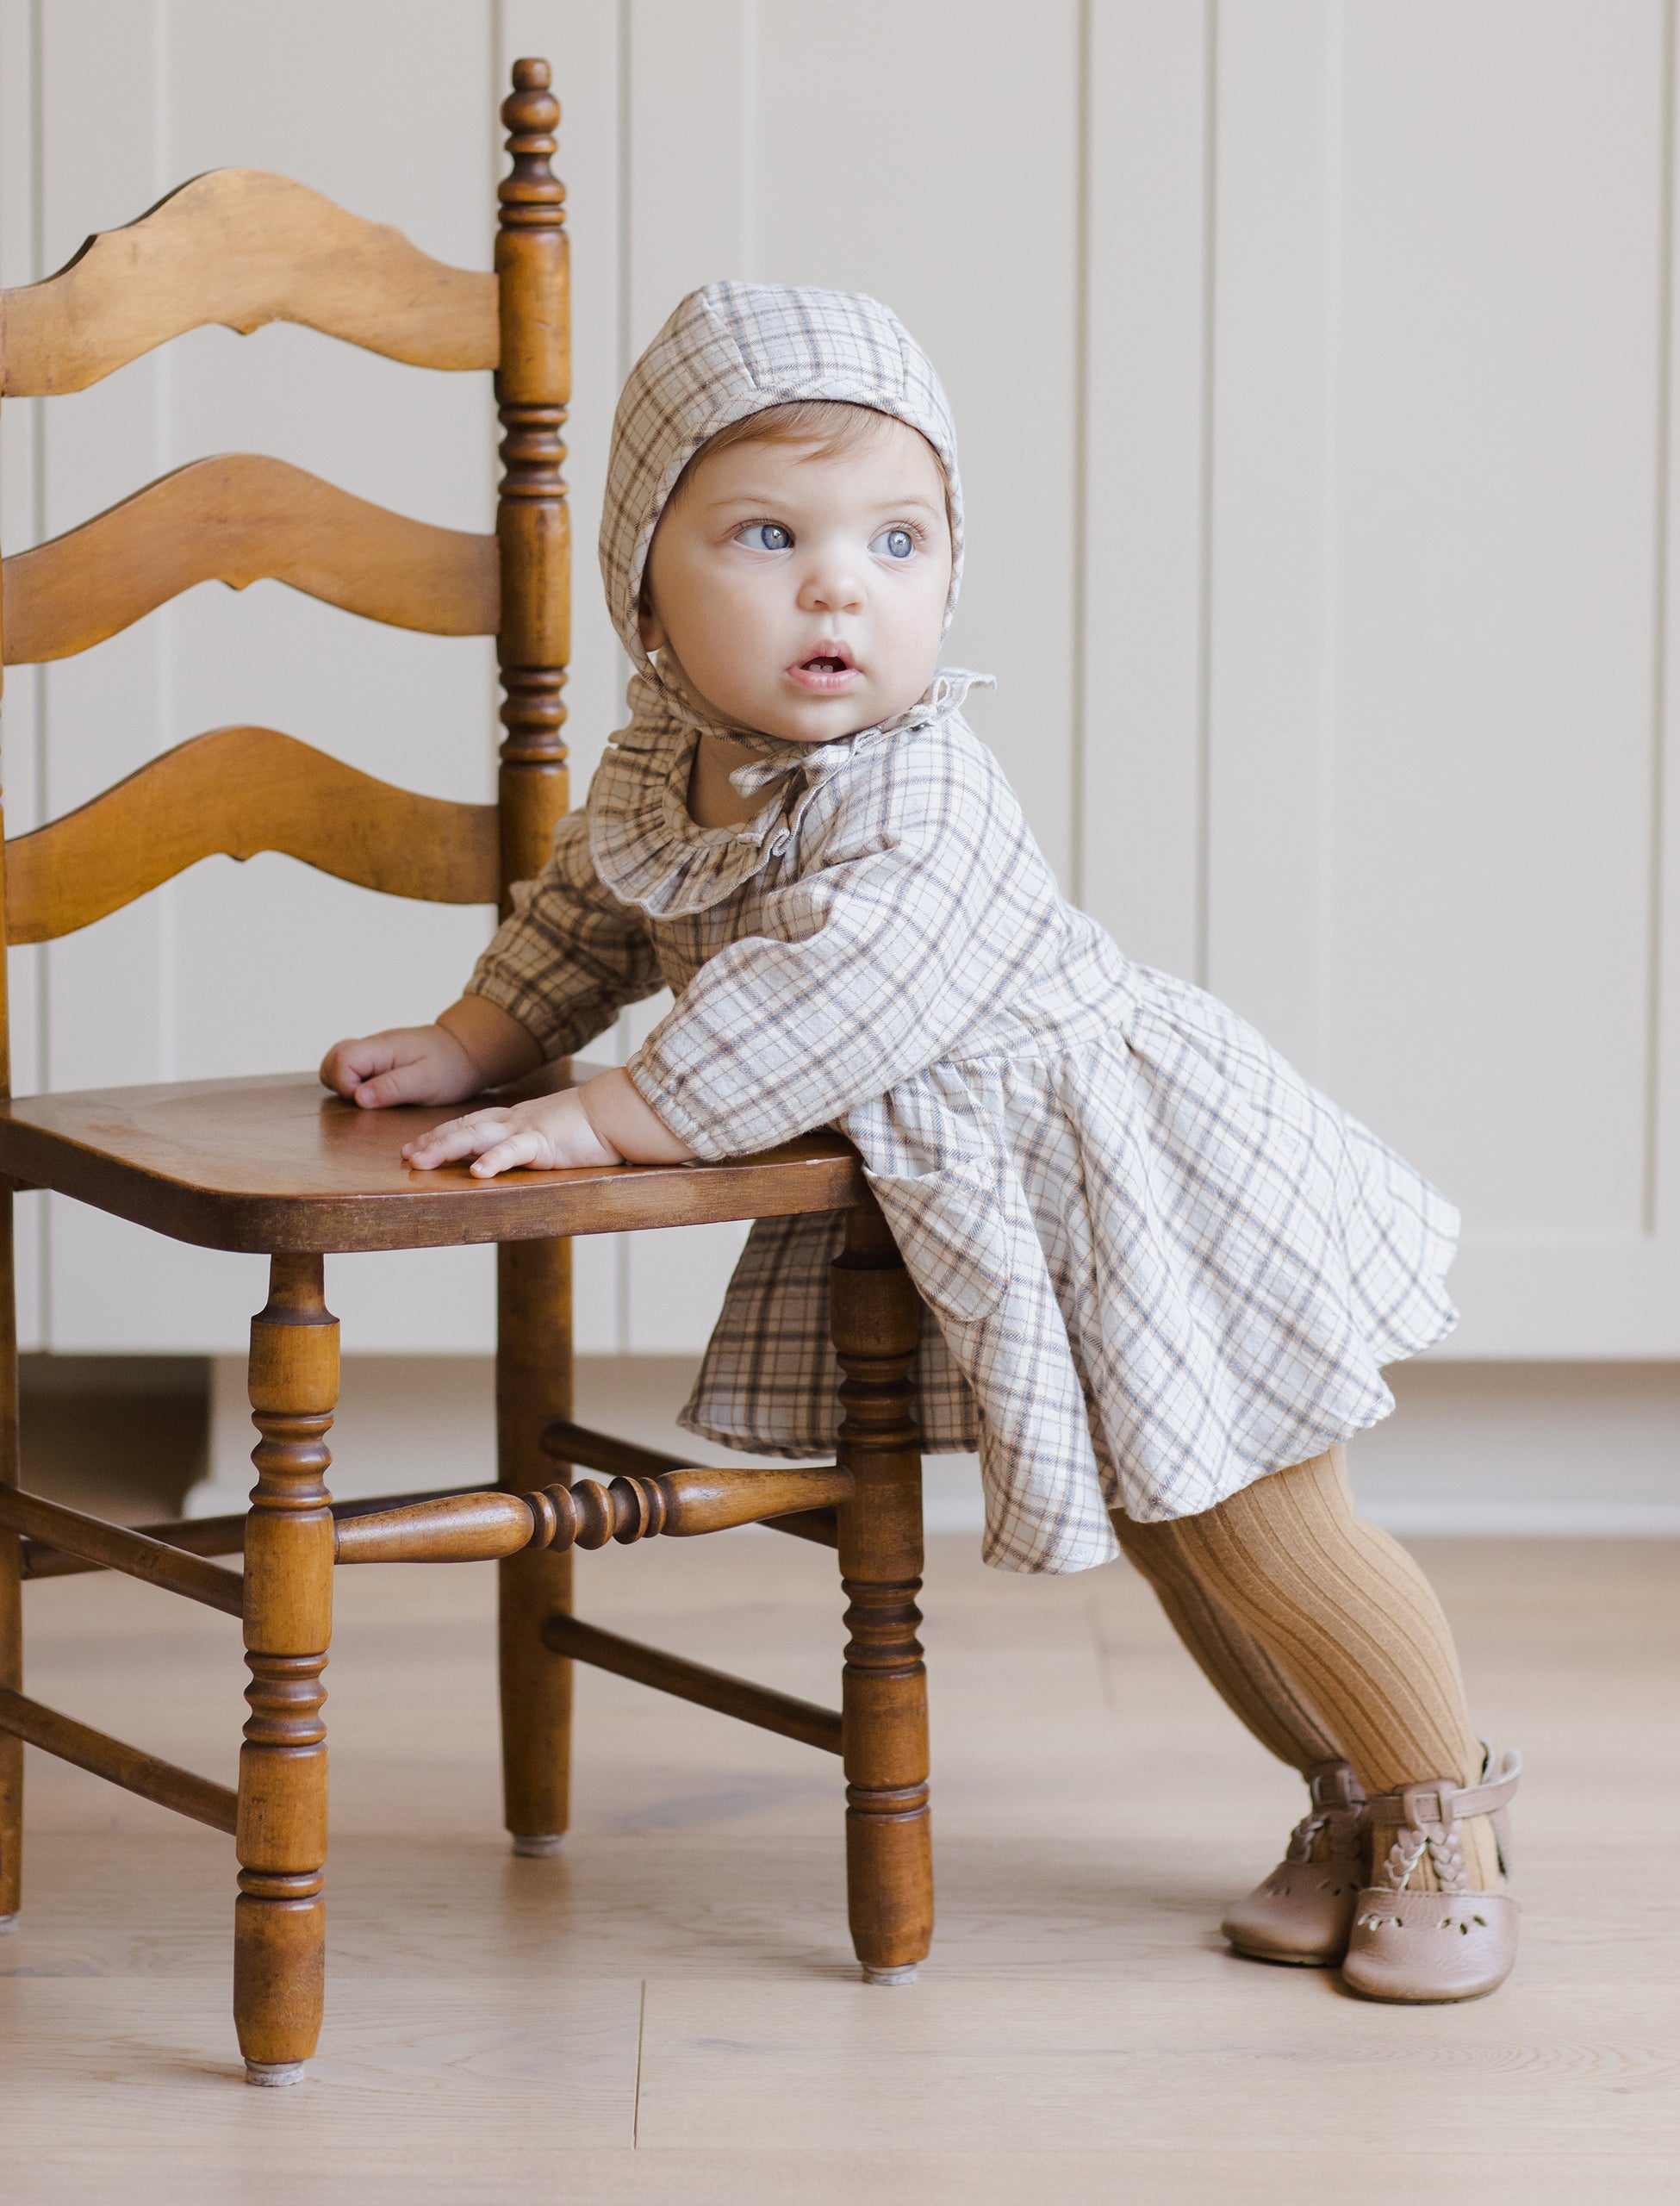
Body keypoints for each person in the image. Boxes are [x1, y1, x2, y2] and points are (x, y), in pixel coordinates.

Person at [321, 282, 1520, 2002]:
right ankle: (1341, 1796)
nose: (840, 586)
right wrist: (479, 1038)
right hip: (1043, 1201)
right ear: (643, 591)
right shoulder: (670, 757)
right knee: (1177, 1522)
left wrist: (602, 1111)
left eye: (898, 538)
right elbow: (586, 918)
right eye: (766, 534)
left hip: (1147, 1168)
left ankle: (1441, 1813)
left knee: (1264, 1519)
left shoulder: (924, 785)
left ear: (950, 571)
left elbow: (837, 996)